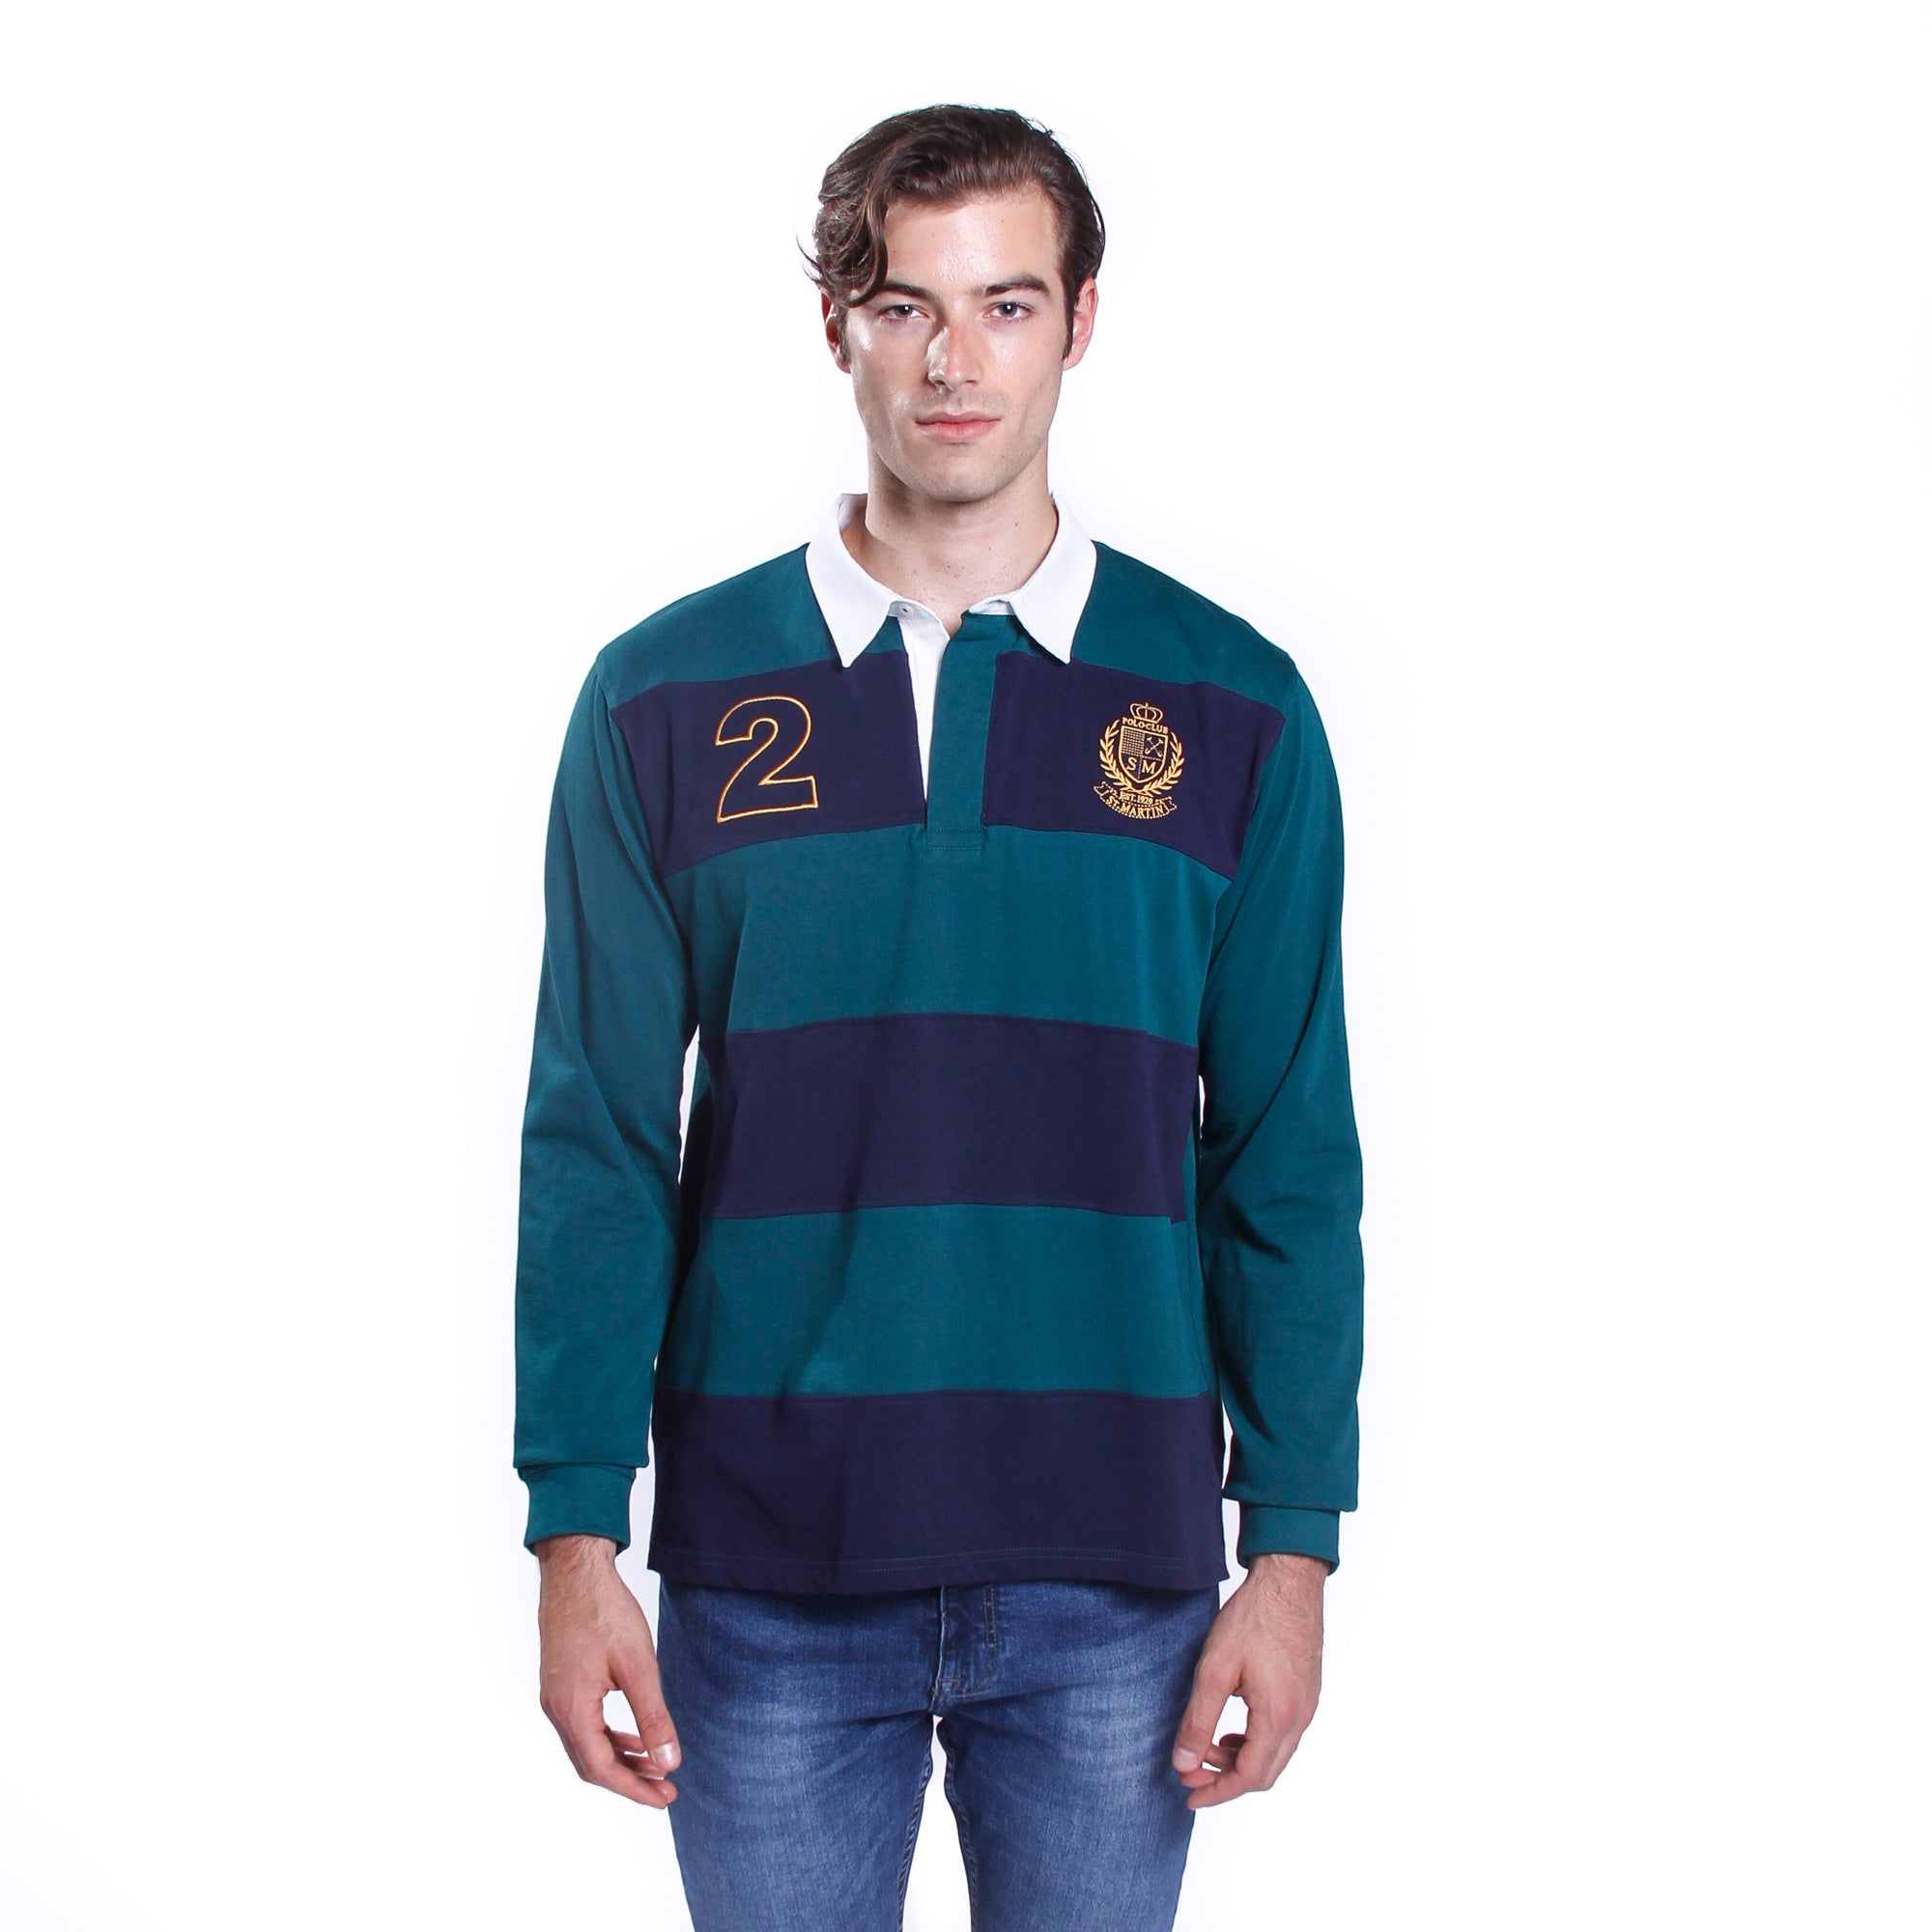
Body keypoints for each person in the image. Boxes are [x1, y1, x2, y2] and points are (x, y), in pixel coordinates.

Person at [515, 102, 1364, 1931]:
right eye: (906, 307)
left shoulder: (1234, 710)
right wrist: (574, 1533)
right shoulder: (663, 701)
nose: (954, 362)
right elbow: (597, 1140)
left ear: (1081, 322)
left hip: (1117, 1581)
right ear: (838, 324)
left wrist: (1292, 1550)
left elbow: (1285, 1152)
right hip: (765, 1577)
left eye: (1006, 305)